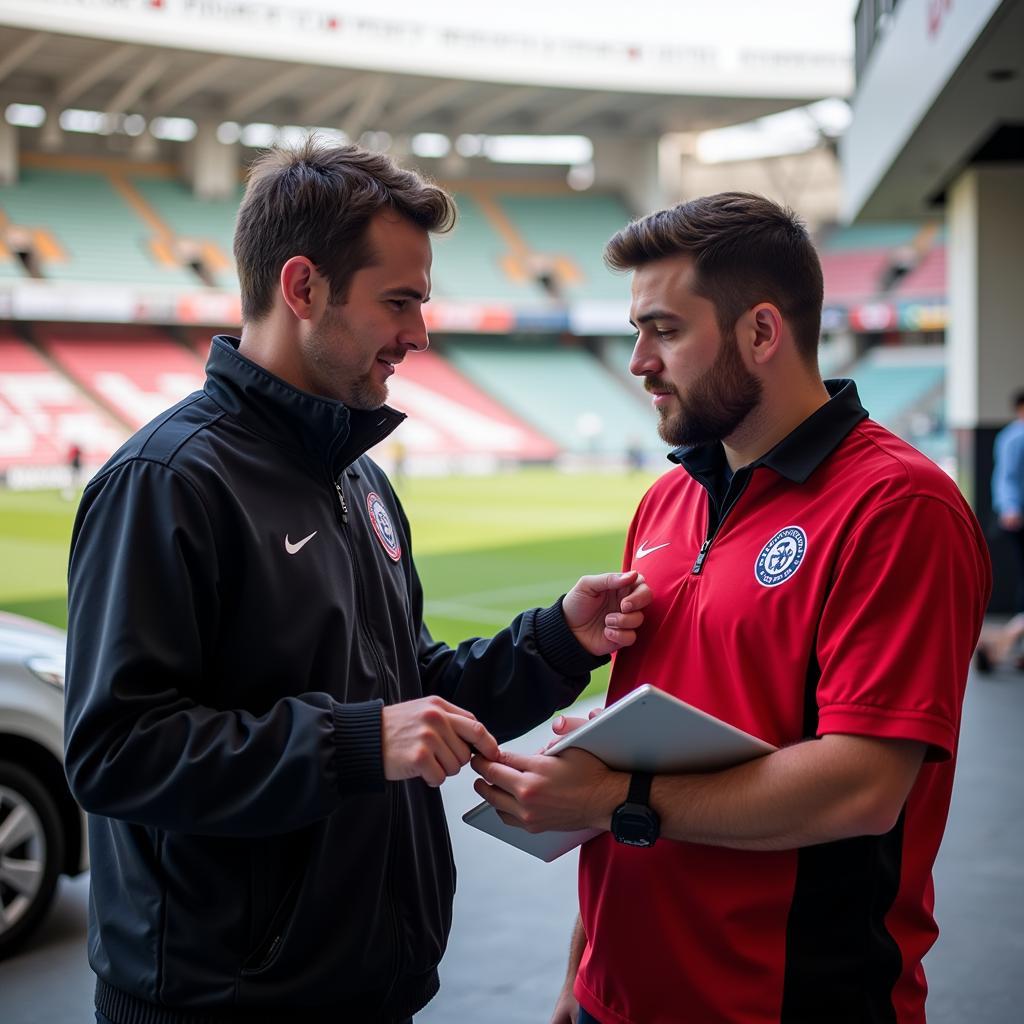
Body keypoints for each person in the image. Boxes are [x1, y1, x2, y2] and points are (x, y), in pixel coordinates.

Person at [63, 139, 651, 1024]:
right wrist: (356, 741)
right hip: (222, 1002)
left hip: (368, 988)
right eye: (399, 301)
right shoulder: (168, 480)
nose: (418, 333)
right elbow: (115, 752)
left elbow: (414, 697)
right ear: (302, 288)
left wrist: (557, 637)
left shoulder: (358, 477)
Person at [470, 193, 992, 1024]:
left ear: (760, 332)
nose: (638, 360)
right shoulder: (665, 502)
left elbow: (861, 788)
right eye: (638, 330)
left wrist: (610, 799)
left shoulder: (897, 506)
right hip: (622, 997)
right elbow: (641, 746)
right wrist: (585, 967)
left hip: (789, 1001)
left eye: (666, 331)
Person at [975, 389, 1024, 671]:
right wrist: (1011, 509)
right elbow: (1007, 477)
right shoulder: (1015, 436)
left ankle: (1005, 642)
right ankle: (1003, 644)